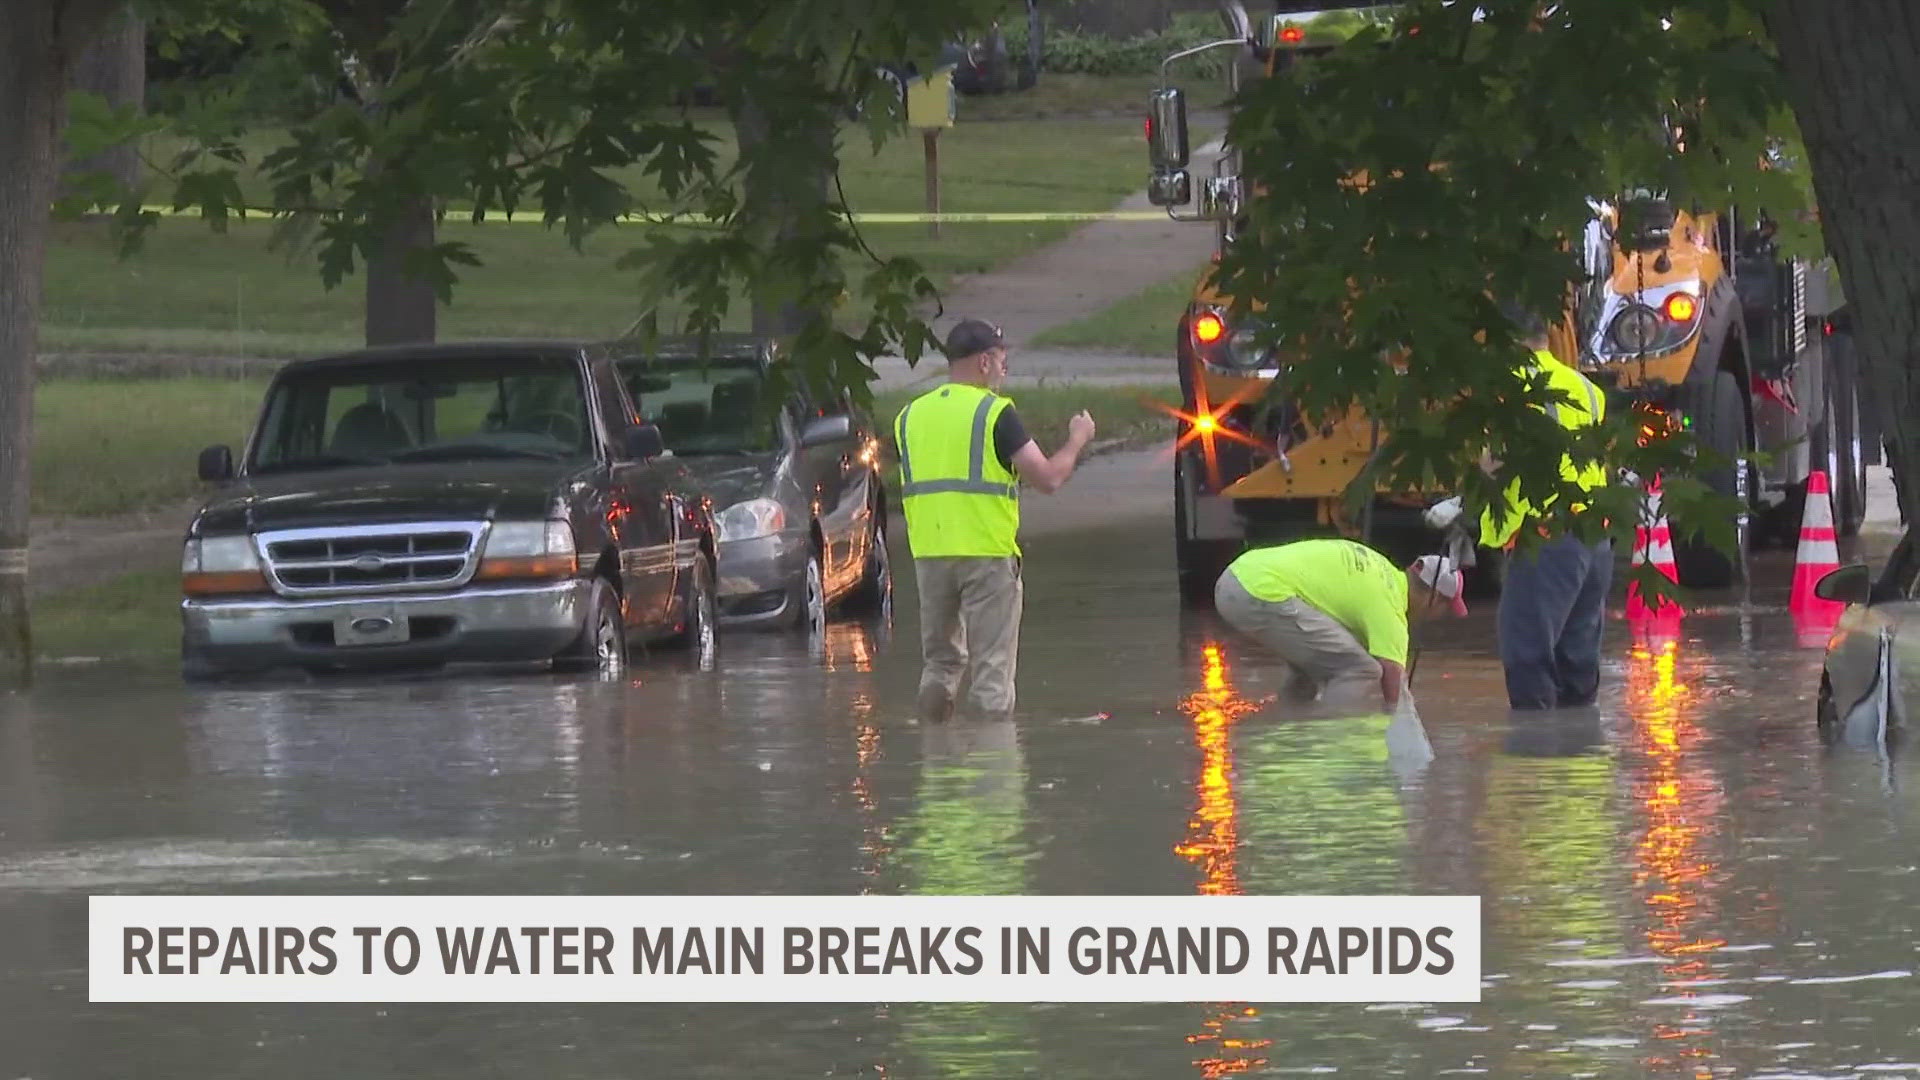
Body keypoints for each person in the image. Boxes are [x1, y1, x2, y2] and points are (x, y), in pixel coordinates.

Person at [894, 318, 1095, 723]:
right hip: (986, 556)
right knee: (992, 671)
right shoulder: (995, 413)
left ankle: (935, 756)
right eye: (1003, 362)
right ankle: (992, 769)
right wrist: (1078, 438)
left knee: (940, 663)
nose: (1005, 371)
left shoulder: (908, 416)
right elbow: (1048, 478)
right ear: (985, 362)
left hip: (930, 557)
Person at [1430, 304, 1612, 711]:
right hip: (1594, 540)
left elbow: (1496, 458)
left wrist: (1466, 505)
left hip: (1544, 540)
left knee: (1527, 657)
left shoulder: (1509, 388)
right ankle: (1583, 760)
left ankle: (1534, 766)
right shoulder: (1586, 388)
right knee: (1577, 665)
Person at [1212, 537, 1469, 712]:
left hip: (1237, 575)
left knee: (1314, 669)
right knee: (1361, 669)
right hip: (1260, 591)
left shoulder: (1379, 567)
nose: (1440, 617)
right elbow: (1394, 689)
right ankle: (1330, 742)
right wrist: (1400, 735)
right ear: (1434, 599)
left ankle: (1287, 730)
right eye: (1445, 609)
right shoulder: (1390, 610)